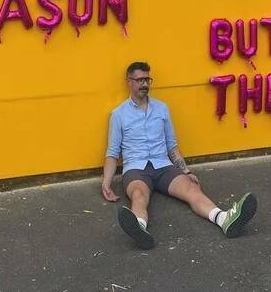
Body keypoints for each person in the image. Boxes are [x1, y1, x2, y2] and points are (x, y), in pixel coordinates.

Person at [102, 61, 257, 249]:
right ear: (129, 81)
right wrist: (106, 183)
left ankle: (224, 219)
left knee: (192, 189)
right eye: (140, 80)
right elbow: (112, 153)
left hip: (163, 166)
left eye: (147, 80)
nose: (144, 84)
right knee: (138, 195)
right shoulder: (118, 114)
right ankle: (139, 228)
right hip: (136, 169)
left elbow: (172, 146)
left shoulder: (162, 109)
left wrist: (186, 171)